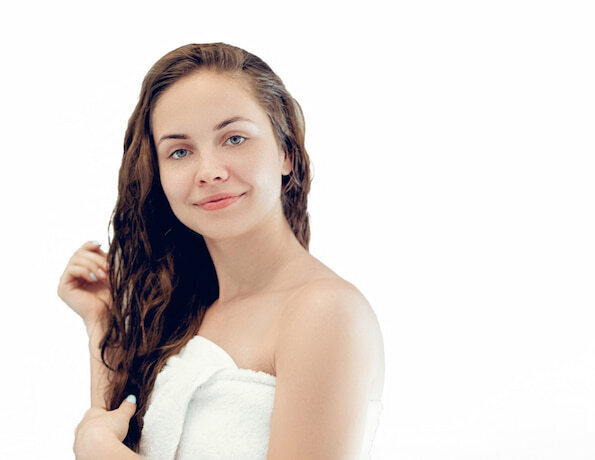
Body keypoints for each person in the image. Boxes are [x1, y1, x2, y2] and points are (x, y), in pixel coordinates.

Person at [57, 42, 385, 459]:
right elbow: (118, 436)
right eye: (180, 151)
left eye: (234, 138)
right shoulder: (188, 310)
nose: (210, 171)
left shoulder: (325, 312)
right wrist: (102, 323)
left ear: (285, 151)